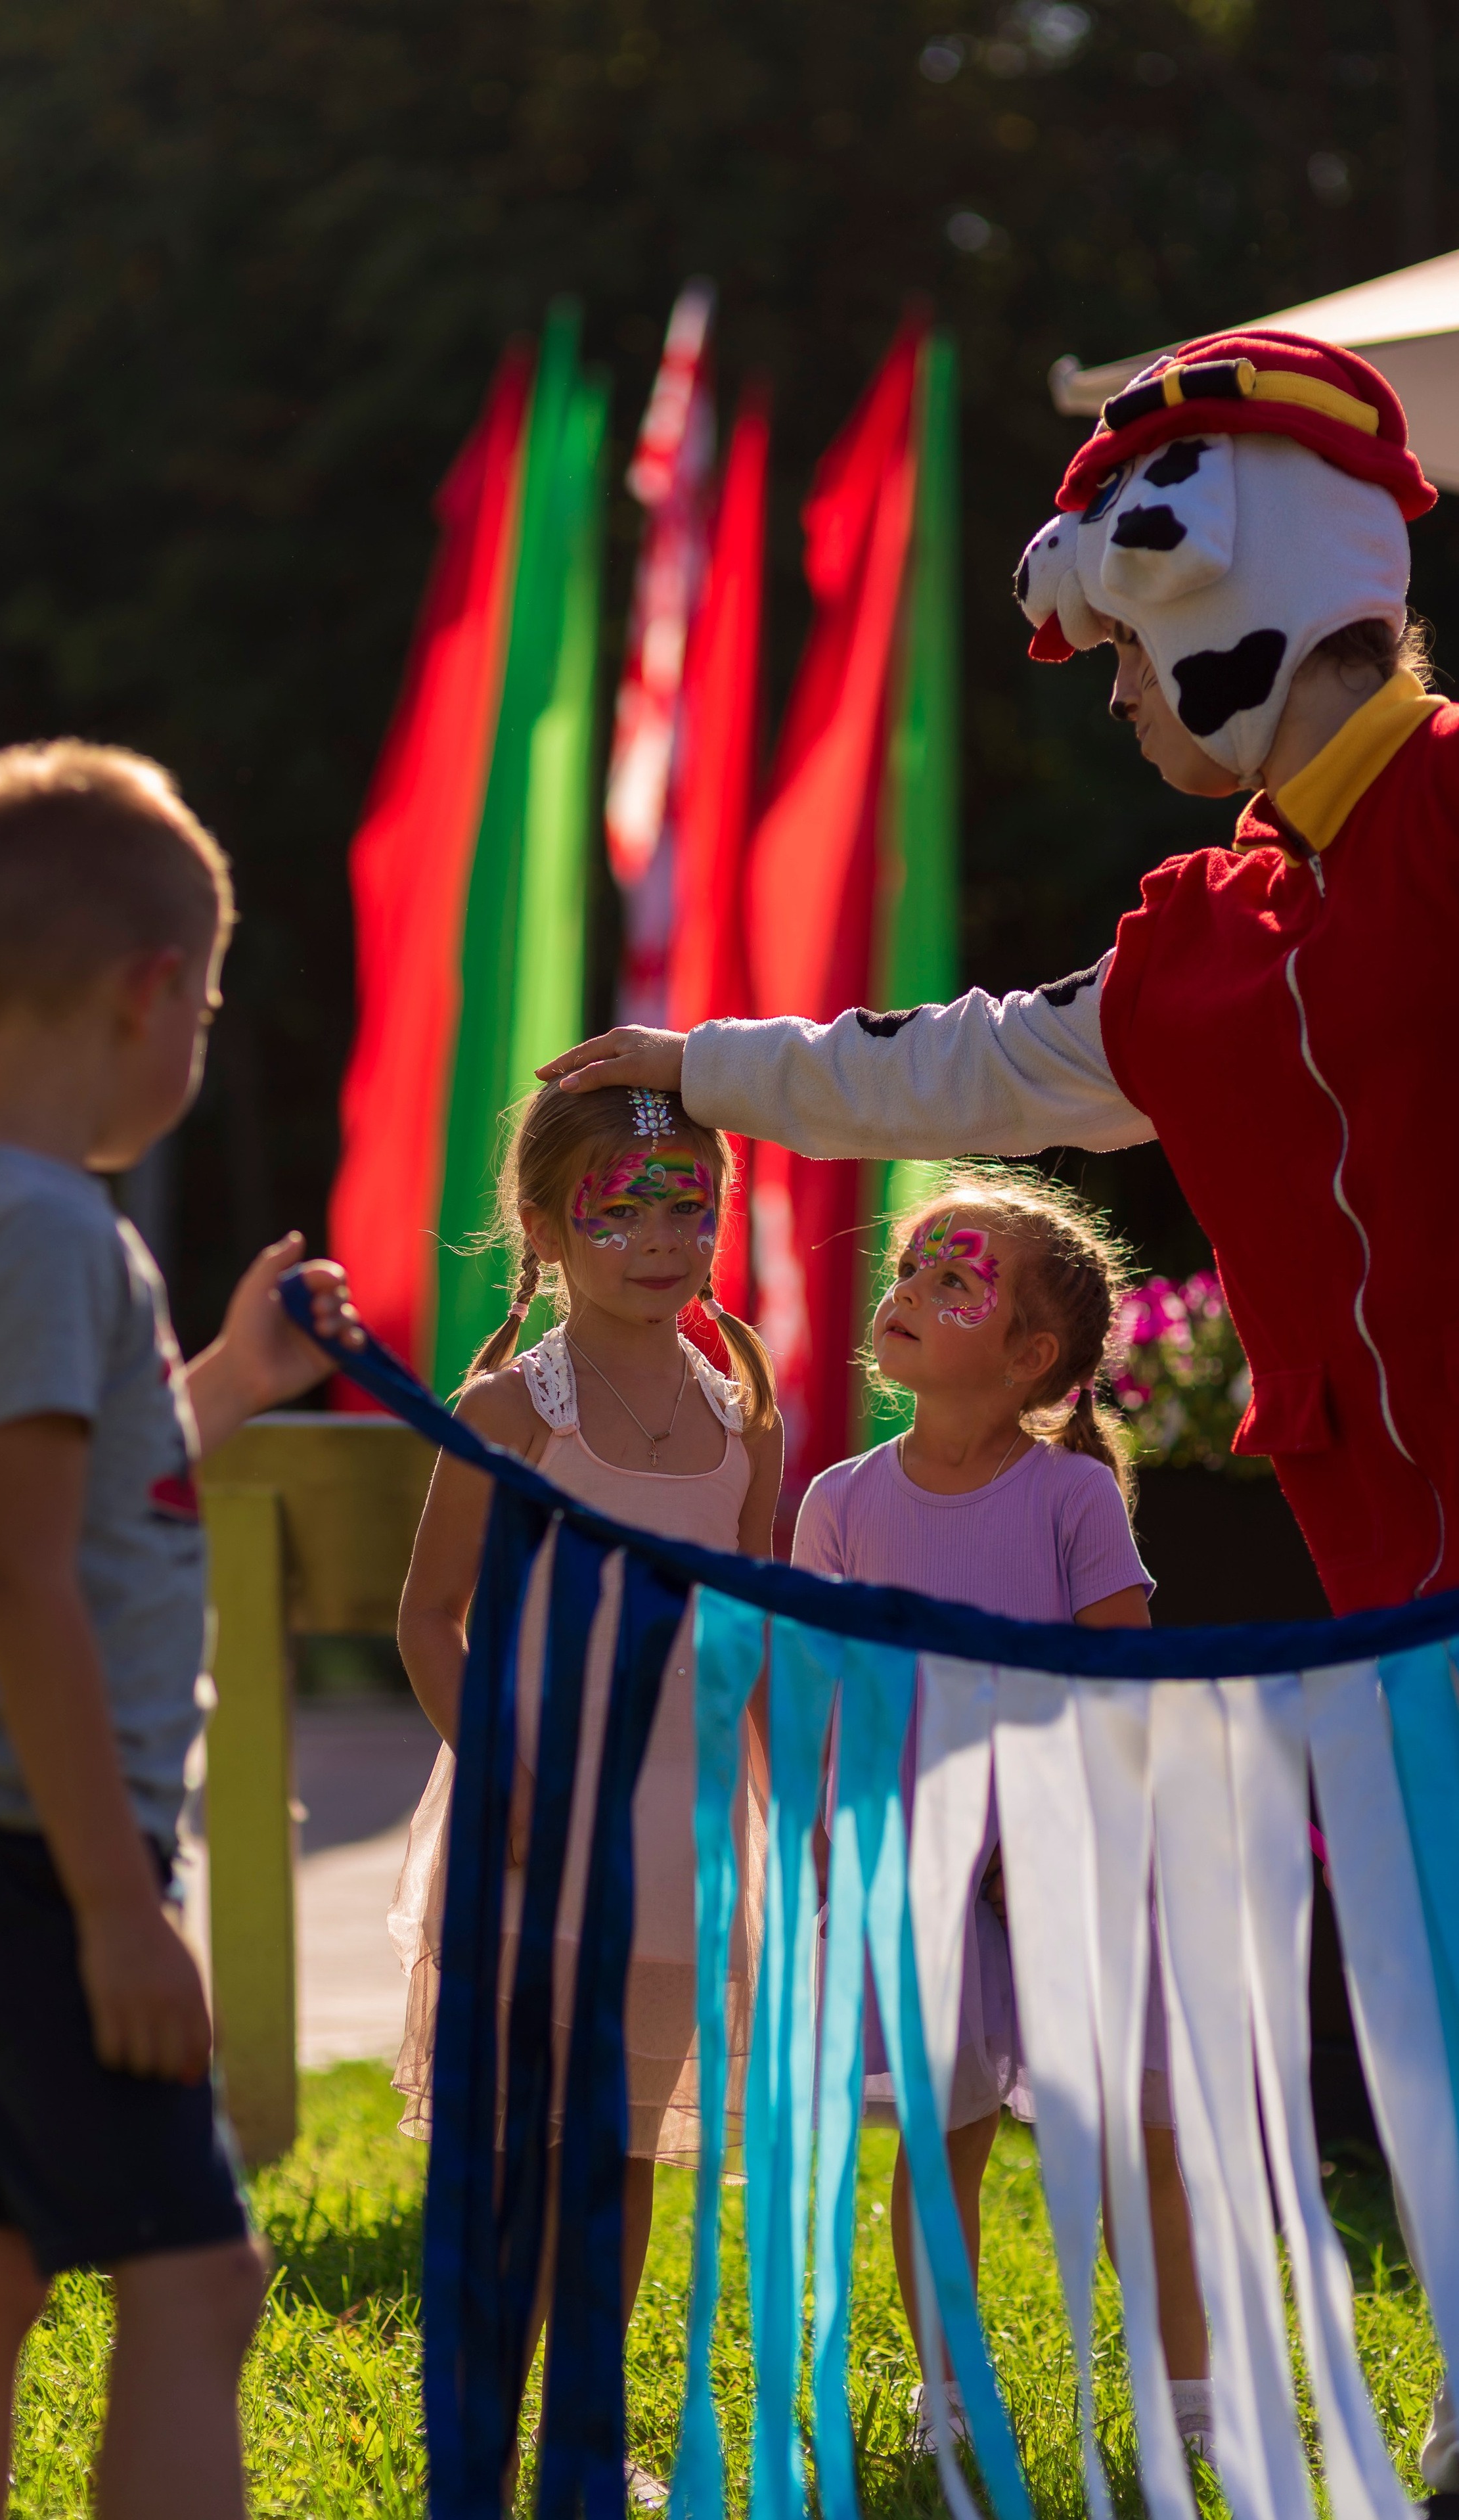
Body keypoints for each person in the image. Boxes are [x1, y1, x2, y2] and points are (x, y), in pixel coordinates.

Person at [536, 328, 1458, 2489]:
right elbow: (961, 1063)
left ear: (1216, 579)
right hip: (1387, 1577)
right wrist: (696, 1063)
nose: (1120, 700)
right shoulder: (1208, 936)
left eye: (1122, 652)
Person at [0, 741, 349, 2520]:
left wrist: (230, 1375)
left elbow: (82, 1488)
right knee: (199, 2281)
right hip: (33, 1847)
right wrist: (117, 1910)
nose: (196, 1038)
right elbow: (20, 1576)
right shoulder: (56, 1233)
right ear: (151, 995)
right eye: (203, 1006)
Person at [388, 1080, 784, 2502]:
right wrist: (500, 1767)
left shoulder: (748, 1424)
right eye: (621, 1213)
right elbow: (428, 1617)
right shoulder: (507, 1411)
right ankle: (484, 2432)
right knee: (521, 2151)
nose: (662, 1240)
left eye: (690, 1207)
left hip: (681, 1844)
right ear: (548, 1230)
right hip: (532, 1837)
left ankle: (584, 2434)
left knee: (619, 2155)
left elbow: (750, 1632)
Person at [794, 1171, 1210, 2461]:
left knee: (1135, 2139)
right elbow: (820, 1694)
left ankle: (1191, 2398)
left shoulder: (1070, 1499)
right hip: (921, 1872)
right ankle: (952, 2392)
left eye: (954, 1280)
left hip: (1062, 1862)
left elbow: (1120, 1686)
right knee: (940, 2146)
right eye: (910, 1269)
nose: (910, 1290)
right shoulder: (838, 1501)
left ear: (1029, 1355)